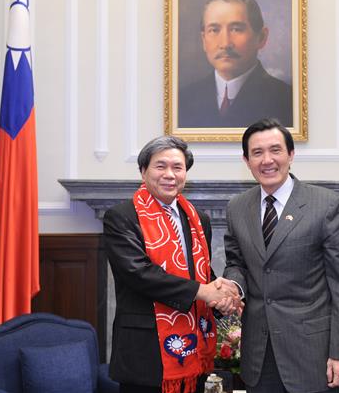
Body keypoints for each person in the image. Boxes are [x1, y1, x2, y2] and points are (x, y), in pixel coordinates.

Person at [222, 118, 339, 393]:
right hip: (258, 354)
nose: (267, 160)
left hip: (311, 354)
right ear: (247, 161)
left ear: (291, 155)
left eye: (275, 150)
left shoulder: (326, 205)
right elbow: (236, 263)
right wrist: (233, 286)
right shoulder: (237, 207)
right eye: (257, 153)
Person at [103, 136, 241, 393]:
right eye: (160, 166)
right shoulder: (121, 217)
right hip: (144, 353)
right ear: (143, 171)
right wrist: (203, 291)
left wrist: (222, 298)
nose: (169, 174)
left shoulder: (198, 219)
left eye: (177, 167)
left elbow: (201, 273)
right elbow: (139, 273)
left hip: (194, 347)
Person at [179, 0, 293, 128]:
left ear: (261, 37)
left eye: (236, 29)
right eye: (214, 30)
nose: (225, 44)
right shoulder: (183, 99)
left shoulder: (286, 99)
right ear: (204, 40)